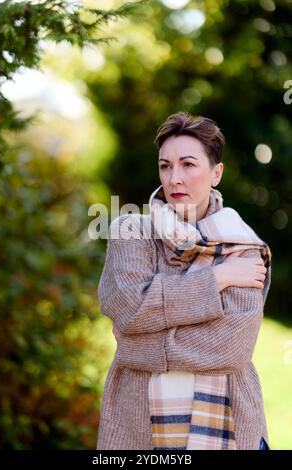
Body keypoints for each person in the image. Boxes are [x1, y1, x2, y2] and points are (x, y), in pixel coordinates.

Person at [96, 112, 272, 450]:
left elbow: (230, 349)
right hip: (138, 425)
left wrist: (135, 346)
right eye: (165, 166)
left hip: (227, 424)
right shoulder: (130, 232)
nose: (174, 178)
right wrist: (216, 278)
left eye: (188, 164)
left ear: (216, 173)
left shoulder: (243, 246)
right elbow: (130, 312)